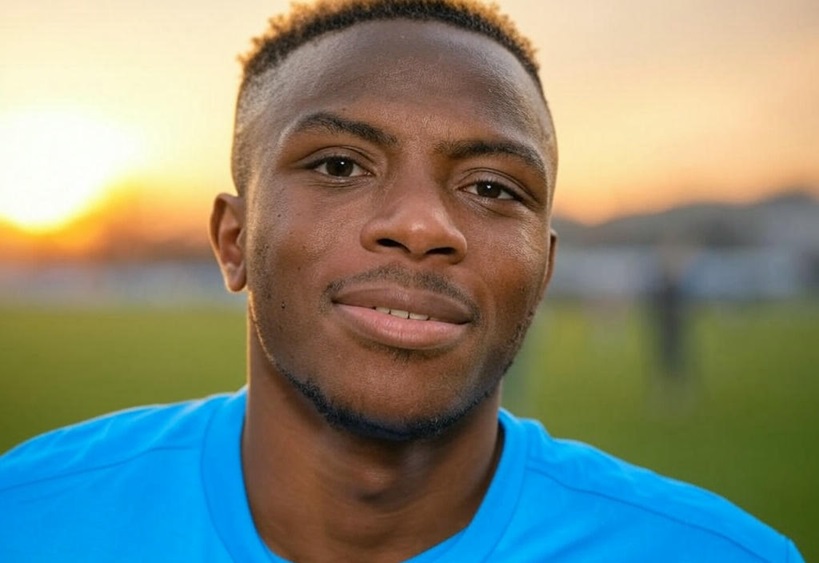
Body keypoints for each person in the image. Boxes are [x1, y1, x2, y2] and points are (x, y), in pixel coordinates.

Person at [0, 1, 804, 561]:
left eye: (490, 186)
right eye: (338, 166)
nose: (421, 225)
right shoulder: (27, 519)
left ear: (542, 273)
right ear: (234, 241)